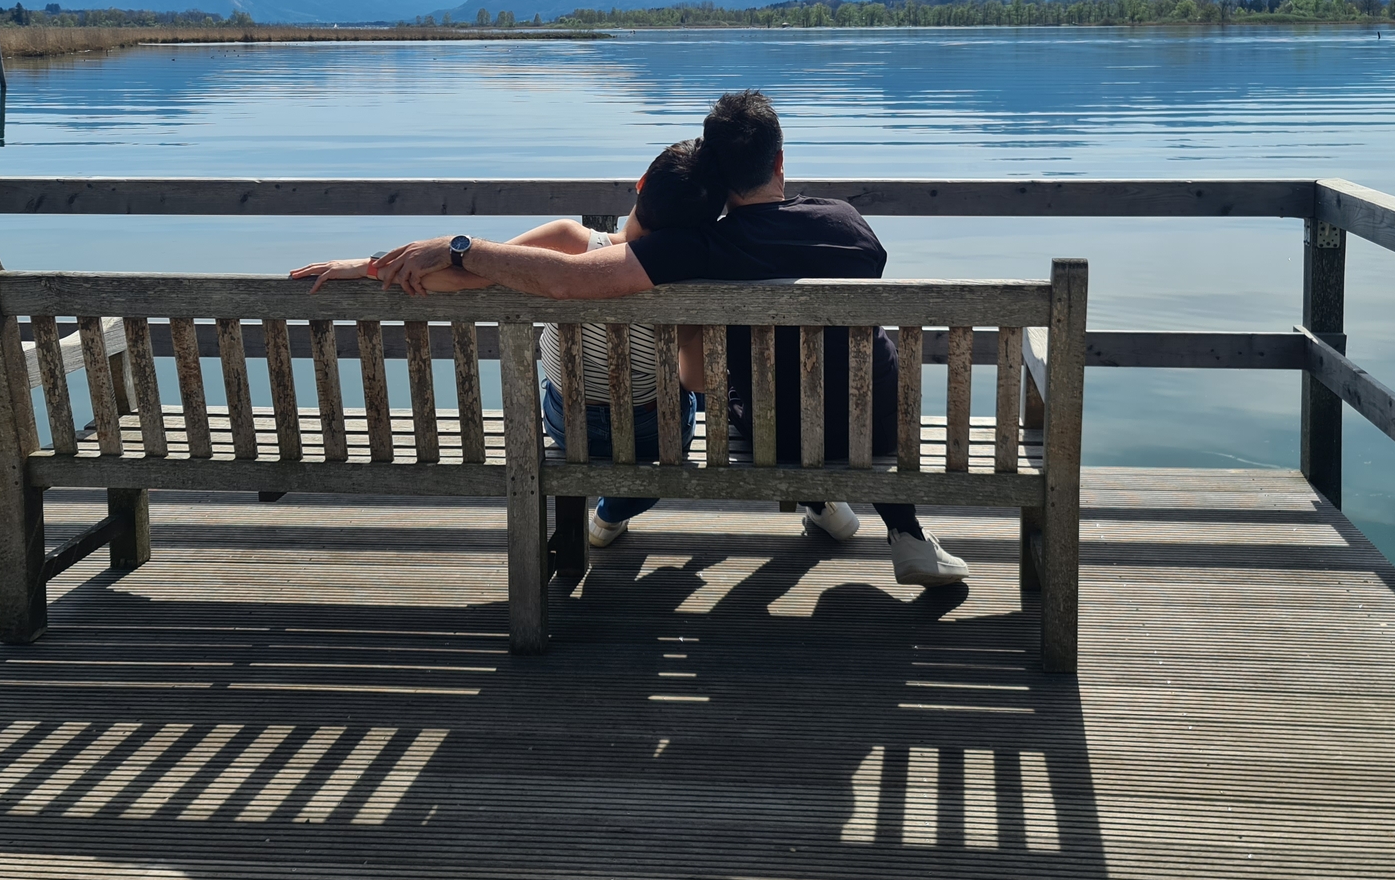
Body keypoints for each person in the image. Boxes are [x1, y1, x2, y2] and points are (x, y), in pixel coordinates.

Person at [360, 91, 970, 588]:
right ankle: (904, 530)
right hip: (879, 431)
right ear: (780, 161)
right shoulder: (849, 225)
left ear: (717, 179)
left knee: (750, 394)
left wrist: (461, 248)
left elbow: (571, 279)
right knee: (855, 370)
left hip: (775, 437)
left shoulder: (699, 247)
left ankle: (820, 503)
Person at [291, 142, 717, 546]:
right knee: (681, 408)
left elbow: (463, 276)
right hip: (649, 431)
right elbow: (696, 380)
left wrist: (368, 267)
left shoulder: (566, 242)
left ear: (641, 183)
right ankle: (610, 515)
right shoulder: (695, 281)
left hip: (568, 423)